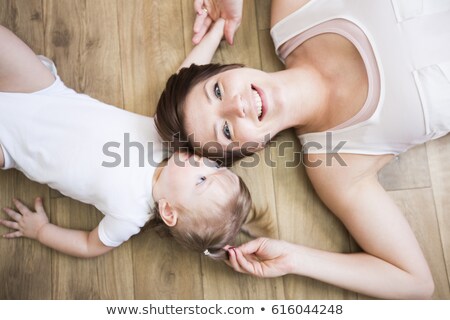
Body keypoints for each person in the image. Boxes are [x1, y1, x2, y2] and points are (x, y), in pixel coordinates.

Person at [155, 0, 450, 298]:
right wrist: (296, 259)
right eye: (227, 130)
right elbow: (415, 282)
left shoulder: (293, 13)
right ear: (251, 148)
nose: (236, 104)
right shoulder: (334, 164)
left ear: (229, 68)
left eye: (217, 90)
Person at [0, 24, 252, 260]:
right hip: (41, 91)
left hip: (11, 146)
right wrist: (215, 32)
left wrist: (42, 230)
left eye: (201, 180)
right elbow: (185, 86)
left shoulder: (129, 216)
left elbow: (90, 245)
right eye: (215, 166)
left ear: (168, 212)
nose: (201, 163)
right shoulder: (166, 140)